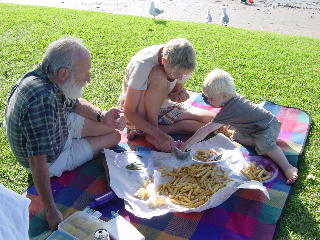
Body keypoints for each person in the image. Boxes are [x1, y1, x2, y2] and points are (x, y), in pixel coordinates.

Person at [3, 37, 125, 230]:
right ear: (63, 73)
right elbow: (37, 160)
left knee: (112, 128)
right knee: (115, 137)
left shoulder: (46, 74)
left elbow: (73, 103)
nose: (88, 79)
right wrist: (51, 210)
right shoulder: (42, 100)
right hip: (54, 157)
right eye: (85, 73)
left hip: (60, 123)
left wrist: (102, 116)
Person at [180, 68, 298, 184]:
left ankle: (288, 167)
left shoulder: (230, 108)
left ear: (224, 96)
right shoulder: (230, 98)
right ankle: (260, 141)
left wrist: (187, 144)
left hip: (267, 126)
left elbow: (208, 128)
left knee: (264, 144)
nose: (208, 101)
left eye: (211, 98)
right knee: (236, 136)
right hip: (252, 128)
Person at [118, 38, 215, 152]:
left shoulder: (182, 62)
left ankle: (162, 129)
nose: (180, 77)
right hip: (138, 110)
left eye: (183, 74)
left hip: (161, 106)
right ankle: (152, 130)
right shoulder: (143, 65)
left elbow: (174, 90)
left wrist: (176, 94)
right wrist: (157, 135)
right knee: (158, 74)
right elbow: (129, 111)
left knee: (211, 122)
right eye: (176, 74)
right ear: (164, 61)